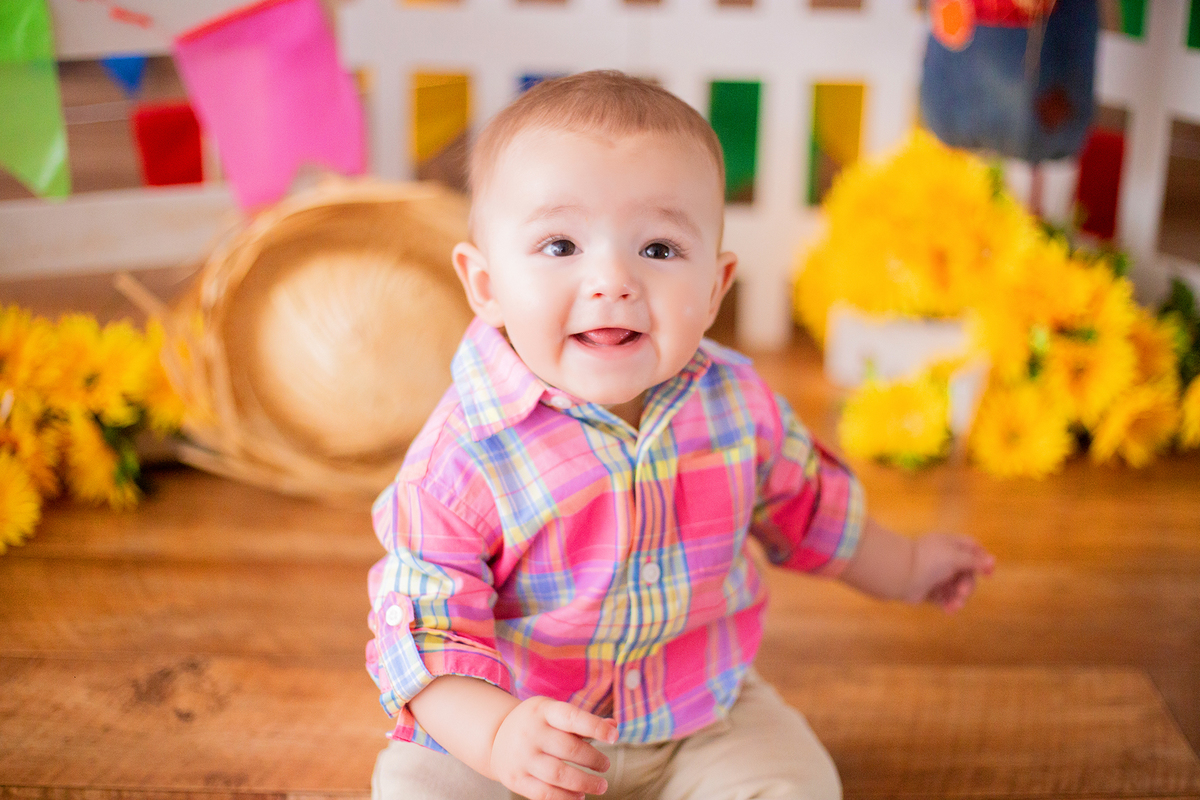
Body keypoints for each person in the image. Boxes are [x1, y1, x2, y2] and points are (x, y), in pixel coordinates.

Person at [366, 70, 995, 800]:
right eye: (561, 245)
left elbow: (813, 509)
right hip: (515, 726)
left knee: (797, 786)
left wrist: (908, 563)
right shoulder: (461, 460)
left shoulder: (735, 407)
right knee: (418, 785)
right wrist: (500, 736)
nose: (612, 280)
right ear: (485, 286)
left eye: (659, 250)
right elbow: (425, 638)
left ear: (714, 288)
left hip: (697, 713)